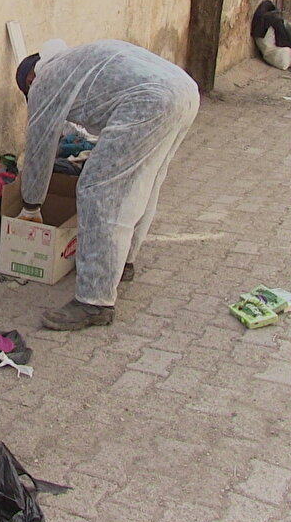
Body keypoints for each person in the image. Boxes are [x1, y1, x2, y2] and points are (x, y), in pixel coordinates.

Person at [15, 39, 199, 331]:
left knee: (98, 190)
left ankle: (94, 300)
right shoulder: (76, 59)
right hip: (184, 90)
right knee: (145, 179)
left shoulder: (44, 81)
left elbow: (39, 148)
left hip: (150, 101)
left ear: (29, 80)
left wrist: (31, 204)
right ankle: (123, 261)